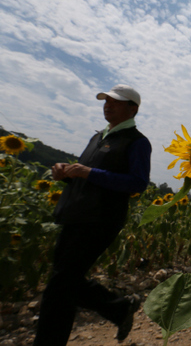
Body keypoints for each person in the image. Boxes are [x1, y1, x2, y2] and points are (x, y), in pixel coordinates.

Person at [34, 84, 152, 345]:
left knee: (60, 284)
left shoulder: (137, 142)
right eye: (105, 100)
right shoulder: (98, 138)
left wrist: (89, 172)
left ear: (133, 109)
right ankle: (119, 308)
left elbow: (137, 183)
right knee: (64, 282)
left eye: (115, 102)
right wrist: (65, 174)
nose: (107, 105)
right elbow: (88, 177)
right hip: (74, 214)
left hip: (100, 220)